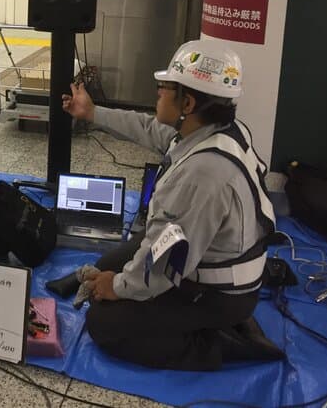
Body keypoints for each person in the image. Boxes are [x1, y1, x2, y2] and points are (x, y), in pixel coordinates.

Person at [61, 39, 284, 371]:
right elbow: (151, 130)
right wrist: (92, 112)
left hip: (222, 294)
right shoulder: (215, 129)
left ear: (188, 102)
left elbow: (164, 266)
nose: (157, 94)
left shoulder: (202, 174)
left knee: (104, 322)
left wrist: (118, 286)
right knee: (112, 260)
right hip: (207, 256)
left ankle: (221, 344)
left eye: (164, 88)